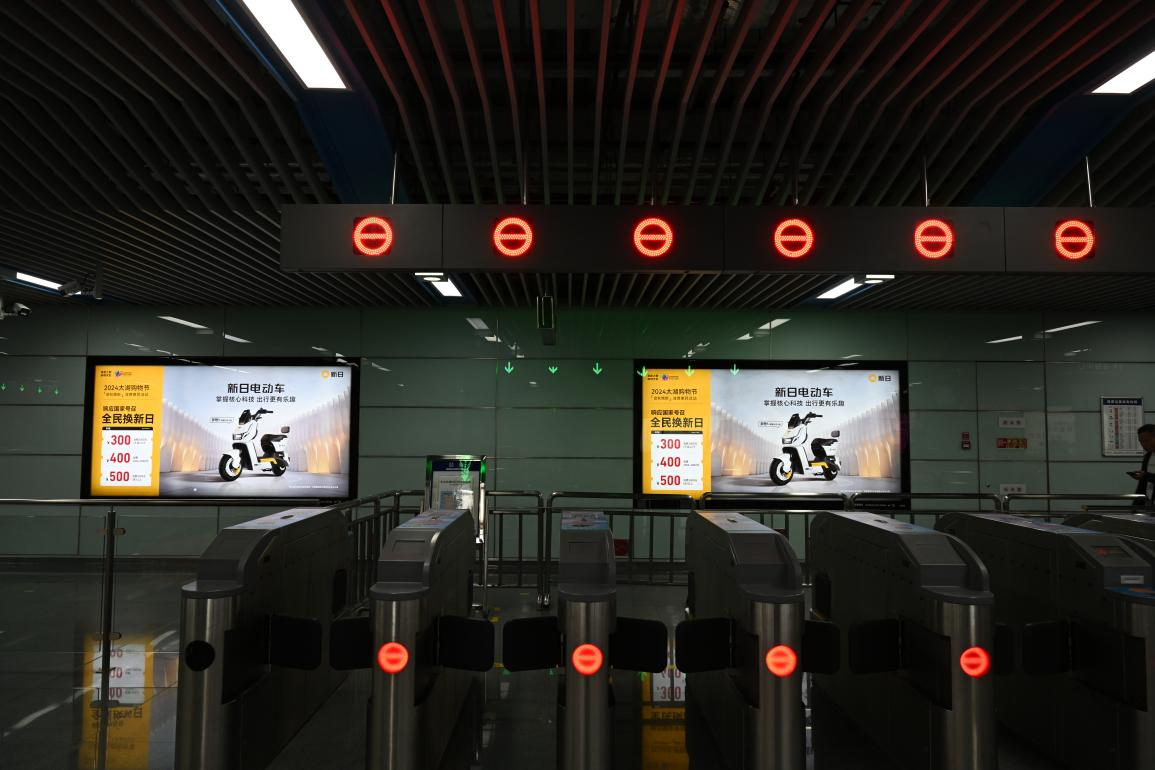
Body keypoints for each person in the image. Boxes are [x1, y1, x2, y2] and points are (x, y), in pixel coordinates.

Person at [1128, 424, 1155, 506]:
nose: (1143, 444)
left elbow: (1147, 477)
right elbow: (1142, 485)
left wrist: (1146, 476)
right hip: (1149, 504)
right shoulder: (1148, 456)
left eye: (1146, 441)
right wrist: (1135, 506)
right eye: (1140, 441)